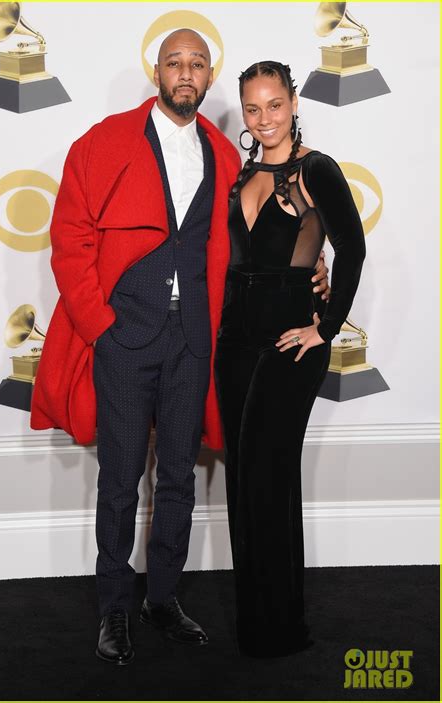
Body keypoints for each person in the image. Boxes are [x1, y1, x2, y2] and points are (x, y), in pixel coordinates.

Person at [30, 33, 330, 664]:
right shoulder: (102, 141)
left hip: (194, 337)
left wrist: (315, 267)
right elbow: (70, 235)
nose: (186, 73)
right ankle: (114, 607)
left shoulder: (227, 154)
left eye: (197, 65)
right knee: (117, 480)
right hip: (124, 334)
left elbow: (264, 238)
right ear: (157, 70)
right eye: (175, 63)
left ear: (209, 74)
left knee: (177, 481)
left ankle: (161, 598)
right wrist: (98, 322)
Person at [214, 60, 366, 658]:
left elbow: (350, 249)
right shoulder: (241, 172)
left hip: (288, 341)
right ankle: (256, 622)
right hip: (236, 343)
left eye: (274, 105)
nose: (264, 118)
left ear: (294, 103)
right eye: (253, 108)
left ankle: (282, 628)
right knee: (244, 481)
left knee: (269, 475)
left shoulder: (317, 170)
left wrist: (324, 328)